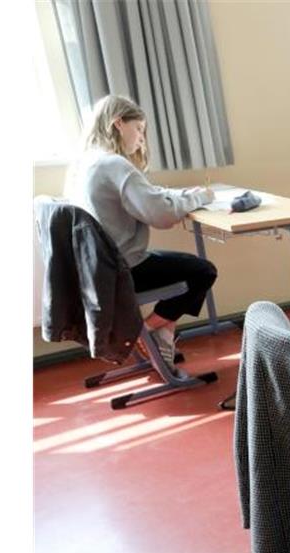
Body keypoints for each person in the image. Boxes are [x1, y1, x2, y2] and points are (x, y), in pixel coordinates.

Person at [65, 94, 217, 374]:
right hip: (124, 269)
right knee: (203, 271)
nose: (141, 139)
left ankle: (162, 335)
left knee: (182, 267)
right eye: (139, 129)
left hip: (96, 270)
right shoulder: (114, 164)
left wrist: (181, 195)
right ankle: (145, 331)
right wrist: (200, 198)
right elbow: (161, 215)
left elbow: (149, 197)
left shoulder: (83, 165)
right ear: (118, 123)